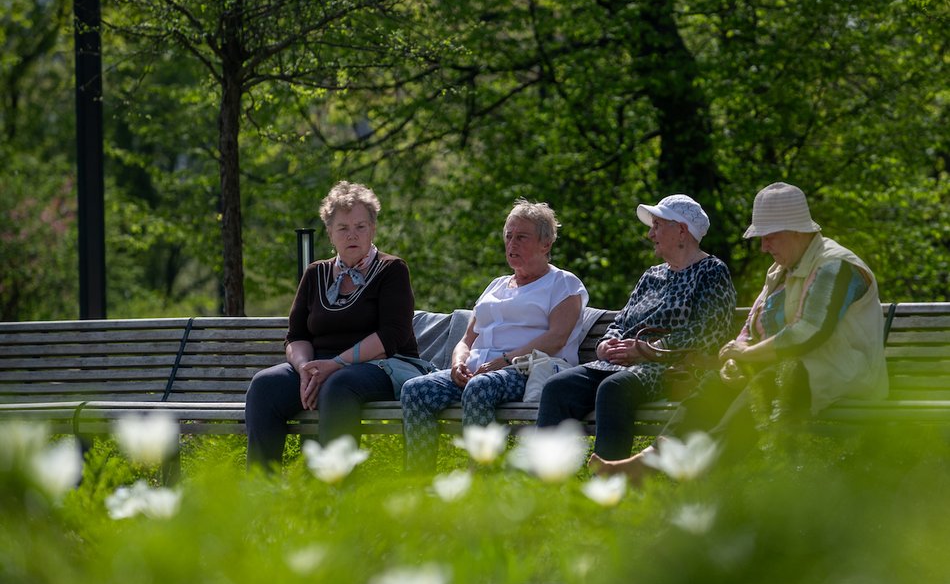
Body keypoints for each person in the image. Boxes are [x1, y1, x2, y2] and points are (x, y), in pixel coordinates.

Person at [593, 182, 889, 479]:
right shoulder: (781, 270)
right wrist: (736, 356)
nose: (763, 247)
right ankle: (654, 458)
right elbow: (754, 324)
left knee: (766, 381)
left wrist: (745, 354)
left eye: (769, 237)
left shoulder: (836, 265)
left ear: (796, 231)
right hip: (791, 369)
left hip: (844, 371)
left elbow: (809, 332)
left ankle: (702, 471)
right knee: (715, 384)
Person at [536, 194, 737, 461]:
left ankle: (610, 477)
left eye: (657, 225)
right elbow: (621, 322)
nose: (650, 234)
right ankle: (545, 477)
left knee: (613, 389)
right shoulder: (651, 276)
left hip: (668, 367)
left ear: (681, 230)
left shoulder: (712, 272)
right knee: (557, 388)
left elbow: (709, 332)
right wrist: (606, 344)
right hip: (617, 363)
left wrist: (648, 349)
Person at [400, 199, 589, 472]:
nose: (512, 244)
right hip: (478, 370)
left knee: (481, 388)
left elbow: (556, 338)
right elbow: (467, 340)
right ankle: (417, 480)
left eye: (521, 237)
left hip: (526, 369)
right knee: (415, 390)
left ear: (545, 244)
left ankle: (481, 482)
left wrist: (503, 361)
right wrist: (457, 363)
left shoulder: (563, 284)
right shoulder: (496, 285)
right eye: (508, 236)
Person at [246, 181, 420, 468]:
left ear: (373, 228)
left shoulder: (392, 270)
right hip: (320, 366)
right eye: (343, 228)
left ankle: (334, 492)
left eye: (360, 227)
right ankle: (261, 493)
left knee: (338, 385)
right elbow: (297, 335)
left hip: (382, 365)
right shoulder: (315, 273)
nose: (352, 235)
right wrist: (304, 369)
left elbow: (392, 336)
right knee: (265, 385)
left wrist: (336, 364)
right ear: (329, 232)